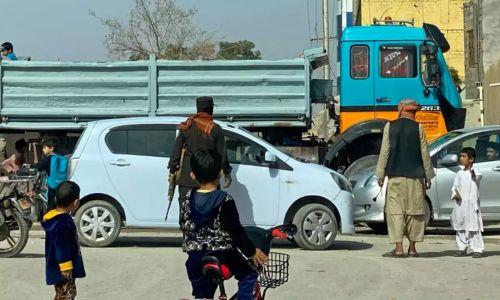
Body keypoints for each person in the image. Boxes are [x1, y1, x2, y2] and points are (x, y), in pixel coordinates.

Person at [180, 149, 267, 299]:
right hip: (222, 254)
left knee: (203, 290)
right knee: (249, 275)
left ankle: (201, 296)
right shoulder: (225, 200)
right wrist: (252, 252)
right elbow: (236, 232)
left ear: (192, 175)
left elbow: (184, 224)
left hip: (195, 258)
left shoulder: (187, 198)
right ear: (220, 173)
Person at [375, 99, 436, 258]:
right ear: (413, 112)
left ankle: (399, 248)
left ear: (401, 110)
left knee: (395, 212)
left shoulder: (390, 126)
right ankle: (413, 249)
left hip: (395, 177)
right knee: (415, 212)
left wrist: (380, 174)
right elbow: (425, 153)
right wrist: (428, 175)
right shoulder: (419, 128)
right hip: (415, 178)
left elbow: (385, 152)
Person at [168, 96, 232, 215]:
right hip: (210, 180)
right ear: (211, 110)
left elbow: (176, 152)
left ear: (198, 109)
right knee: (210, 216)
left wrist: (172, 170)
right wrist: (227, 173)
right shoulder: (215, 129)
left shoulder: (186, 126)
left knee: (186, 215)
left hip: (187, 179)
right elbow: (222, 156)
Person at [42, 181, 86, 300]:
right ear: (75, 203)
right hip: (63, 268)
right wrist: (65, 265)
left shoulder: (54, 218)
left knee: (64, 293)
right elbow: (61, 246)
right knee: (66, 294)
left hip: (57, 265)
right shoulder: (62, 222)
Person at [451, 147, 484, 258]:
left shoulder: (476, 172)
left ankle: (477, 249)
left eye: (464, 156)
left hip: (471, 205)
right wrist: (455, 194)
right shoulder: (459, 173)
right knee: (460, 226)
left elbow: (477, 178)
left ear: (471, 159)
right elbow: (455, 186)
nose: (461, 158)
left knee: (473, 227)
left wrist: (471, 170)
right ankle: (462, 248)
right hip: (460, 204)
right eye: (461, 156)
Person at [34, 138, 68, 210]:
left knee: (51, 206)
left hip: (52, 186)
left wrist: (28, 166)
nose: (43, 150)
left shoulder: (48, 158)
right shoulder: (62, 158)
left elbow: (39, 167)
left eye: (44, 148)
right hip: (62, 185)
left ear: (51, 148)